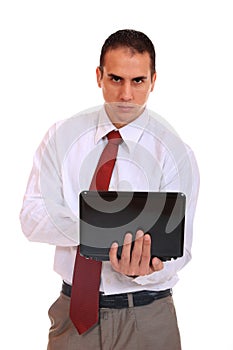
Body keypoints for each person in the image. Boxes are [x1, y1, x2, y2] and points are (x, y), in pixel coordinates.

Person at [20, 29, 200, 350]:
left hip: (148, 315)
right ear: (99, 76)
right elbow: (32, 217)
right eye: (116, 79)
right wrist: (99, 228)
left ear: (153, 81)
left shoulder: (175, 152)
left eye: (138, 81)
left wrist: (142, 272)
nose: (126, 95)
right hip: (73, 315)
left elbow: (180, 249)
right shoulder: (61, 137)